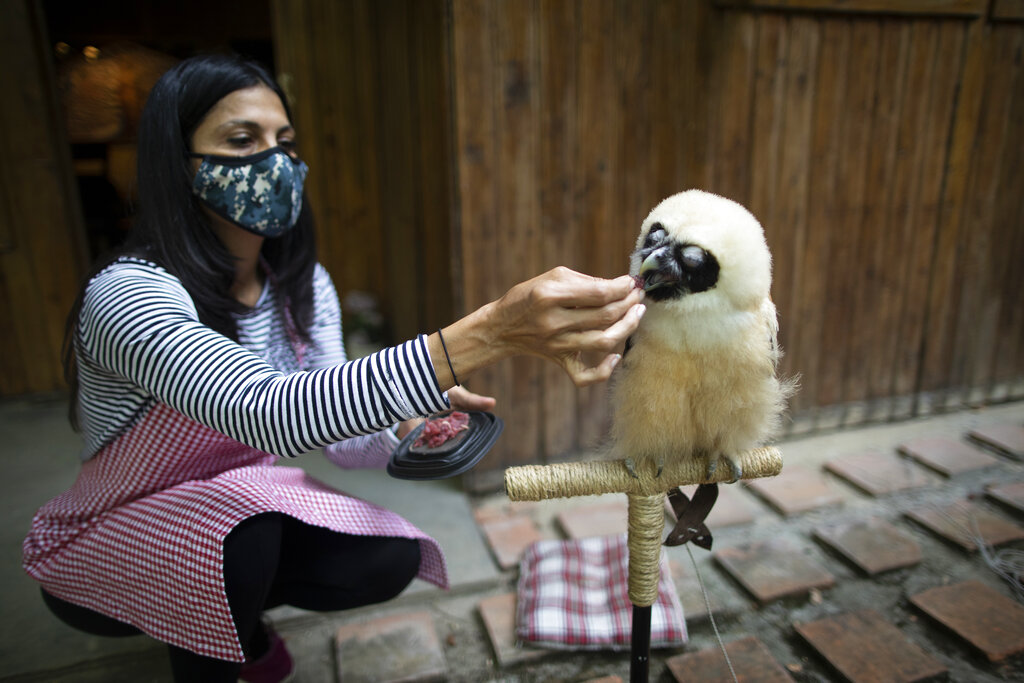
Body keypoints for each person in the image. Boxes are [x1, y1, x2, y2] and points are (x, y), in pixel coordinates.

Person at [22, 54, 646, 682]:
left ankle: (232, 616)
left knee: (385, 559)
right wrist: (487, 333)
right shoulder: (128, 293)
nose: (275, 160)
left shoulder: (299, 287)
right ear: (177, 167)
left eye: (285, 142)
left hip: (236, 514)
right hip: (110, 539)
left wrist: (404, 427)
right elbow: (267, 413)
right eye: (242, 141)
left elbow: (338, 435)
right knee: (243, 531)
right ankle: (214, 650)